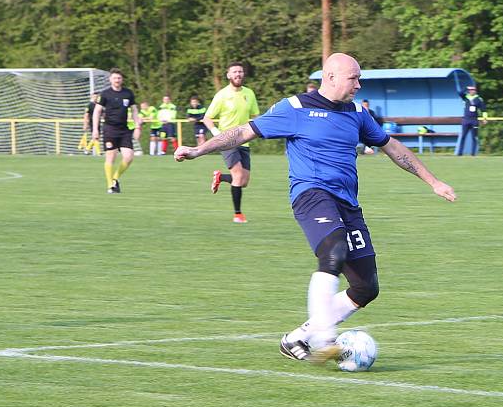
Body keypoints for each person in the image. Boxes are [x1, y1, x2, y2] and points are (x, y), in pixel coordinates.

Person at [175, 53, 456, 363]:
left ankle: (299, 337)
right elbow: (242, 132)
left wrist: (433, 181)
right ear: (331, 76)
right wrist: (199, 150)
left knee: (366, 287)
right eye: (354, 78)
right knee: (334, 251)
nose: (359, 85)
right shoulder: (294, 108)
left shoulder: (357, 114)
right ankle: (324, 340)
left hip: (348, 203)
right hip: (311, 195)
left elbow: (392, 147)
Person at [203, 62, 260, 223]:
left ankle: (220, 177)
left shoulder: (249, 93)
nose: (238, 74)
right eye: (234, 72)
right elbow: (207, 118)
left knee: (244, 181)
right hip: (227, 141)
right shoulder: (222, 95)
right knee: (238, 175)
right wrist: (217, 135)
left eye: (240, 71)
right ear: (228, 75)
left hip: (245, 140)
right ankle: (238, 214)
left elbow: (256, 116)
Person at [91, 68, 141, 194]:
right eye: (114, 78)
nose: (117, 80)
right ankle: (110, 186)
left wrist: (137, 127)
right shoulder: (105, 94)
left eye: (119, 78)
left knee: (129, 156)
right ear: (110, 79)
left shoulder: (128, 93)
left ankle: (115, 178)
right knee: (110, 157)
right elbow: (97, 112)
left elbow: (134, 111)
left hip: (124, 130)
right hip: (110, 130)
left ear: (121, 79)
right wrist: (95, 130)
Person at [456, 84, 487, 156]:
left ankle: (473, 154)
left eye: (473, 90)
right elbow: (460, 93)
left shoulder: (479, 99)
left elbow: (484, 110)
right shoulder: (466, 97)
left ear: (475, 91)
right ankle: (460, 153)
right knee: (463, 136)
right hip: (466, 120)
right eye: (470, 90)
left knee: (474, 137)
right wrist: (466, 88)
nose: (472, 91)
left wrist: (485, 118)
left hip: (474, 121)